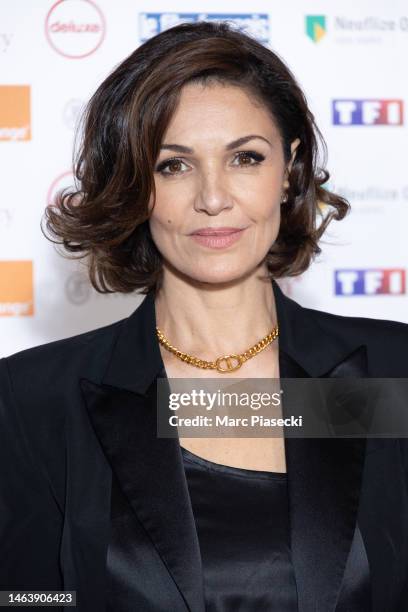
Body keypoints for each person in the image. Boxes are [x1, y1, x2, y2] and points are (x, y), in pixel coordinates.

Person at [1, 20, 407, 612]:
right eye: (174, 165)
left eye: (245, 157)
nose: (213, 198)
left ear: (289, 169)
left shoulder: (390, 376)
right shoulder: (36, 398)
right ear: (134, 183)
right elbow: (25, 597)